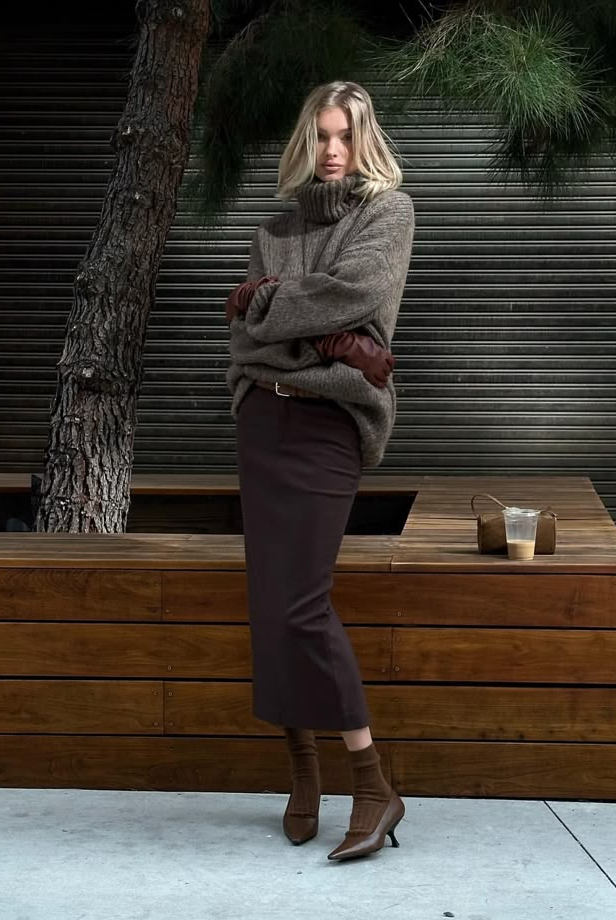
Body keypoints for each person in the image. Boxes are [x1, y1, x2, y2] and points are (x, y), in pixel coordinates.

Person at [224, 80, 414, 861]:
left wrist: (274, 308)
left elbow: (359, 295)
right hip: (262, 420)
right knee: (270, 606)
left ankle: (372, 782)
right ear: (307, 140)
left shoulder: (388, 215)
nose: (334, 150)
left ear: (364, 141)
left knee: (302, 605)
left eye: (346, 136)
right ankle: (303, 771)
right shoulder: (275, 225)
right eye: (323, 136)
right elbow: (248, 337)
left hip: (331, 423)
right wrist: (301, 325)